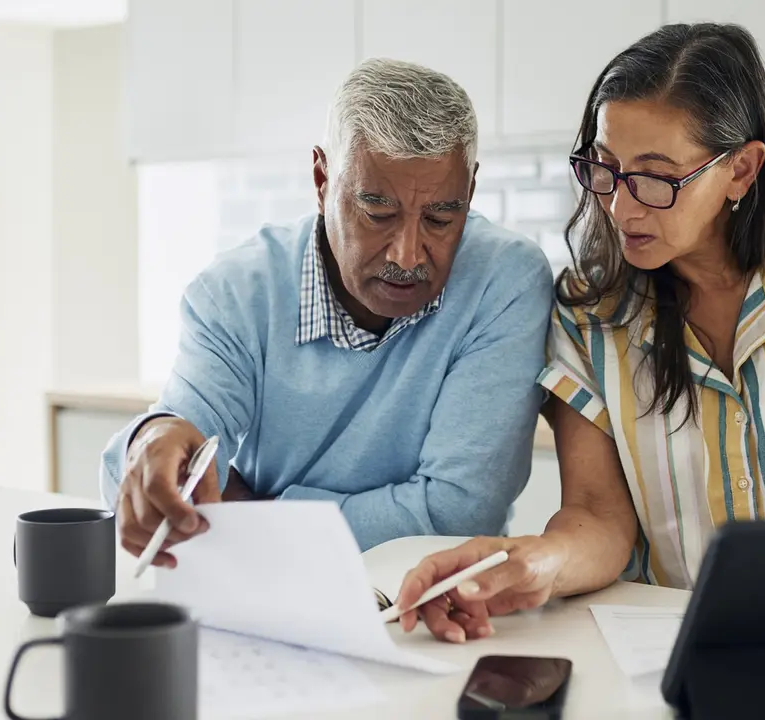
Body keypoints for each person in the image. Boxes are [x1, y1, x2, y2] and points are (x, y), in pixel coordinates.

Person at [394, 22, 765, 644]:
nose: (620, 206)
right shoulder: (587, 314)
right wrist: (534, 562)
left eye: (655, 177)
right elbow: (598, 516)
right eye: (605, 168)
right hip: (668, 646)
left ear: (741, 171)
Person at [100, 58, 552, 566]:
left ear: (469, 191)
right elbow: (179, 449)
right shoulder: (236, 293)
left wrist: (254, 513)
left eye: (441, 218)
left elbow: (455, 516)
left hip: (437, 599)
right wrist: (154, 438)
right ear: (322, 179)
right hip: (260, 589)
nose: (407, 254)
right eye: (378, 214)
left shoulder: (504, 281)